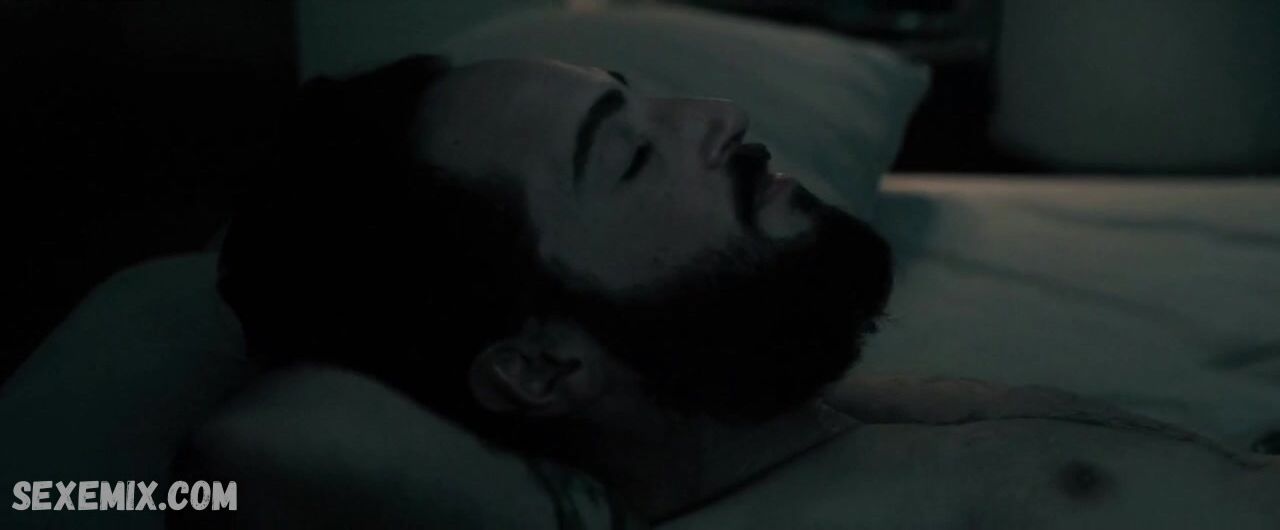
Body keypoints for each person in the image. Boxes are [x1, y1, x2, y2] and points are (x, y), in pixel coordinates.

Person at [175, 55, 1280, 530]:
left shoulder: (820, 422)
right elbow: (229, 457)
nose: (713, 116)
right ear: (541, 364)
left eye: (641, 100)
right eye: (629, 156)